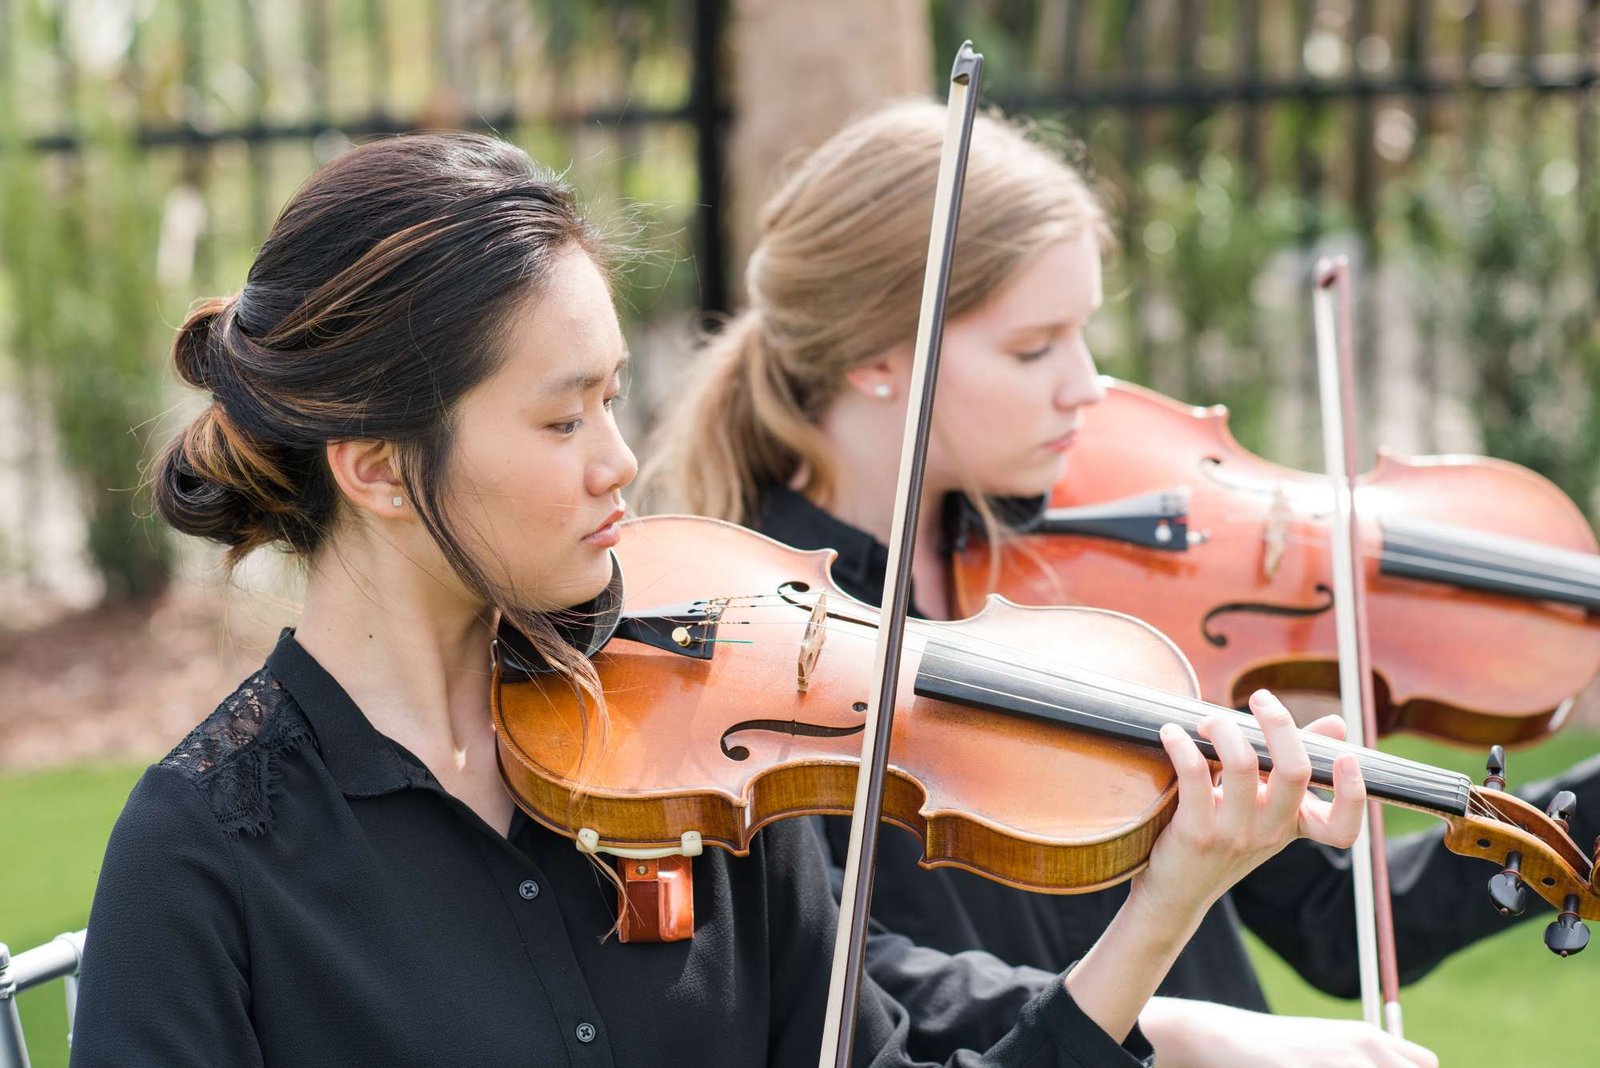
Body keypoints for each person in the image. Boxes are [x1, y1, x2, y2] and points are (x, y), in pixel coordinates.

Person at [68, 130, 1366, 1068]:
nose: (619, 460)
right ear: (376, 469)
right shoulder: (203, 859)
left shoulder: (696, 750)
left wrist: (1163, 912)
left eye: (614, 395)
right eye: (563, 415)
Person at [644, 99, 1595, 1066]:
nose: (1089, 385)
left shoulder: (1079, 578)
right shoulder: (758, 648)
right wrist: (1182, 1031)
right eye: (1035, 347)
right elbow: (858, 985)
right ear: (883, 356)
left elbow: (1335, 921)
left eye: (1084, 333)